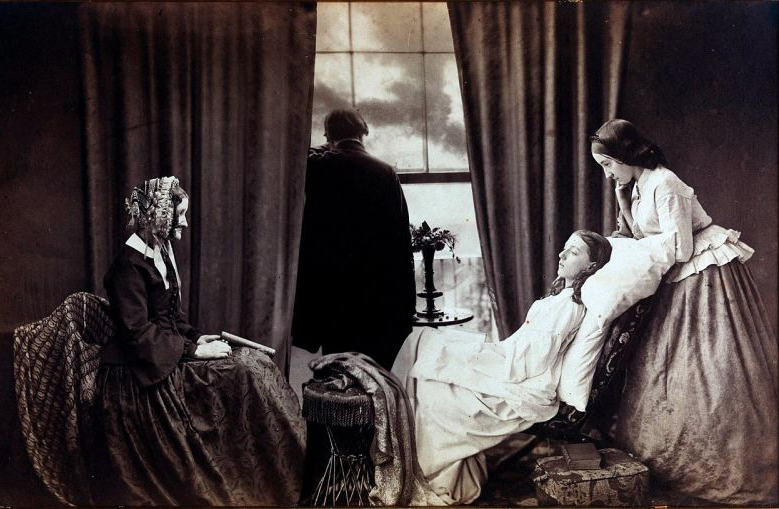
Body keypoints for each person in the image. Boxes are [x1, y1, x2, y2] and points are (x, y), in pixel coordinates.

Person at [590, 119, 778, 505]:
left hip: (704, 274)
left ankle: (720, 458)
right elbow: (641, 235)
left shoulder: (666, 183)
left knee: (711, 365)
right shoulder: (637, 186)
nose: (607, 174)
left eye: (608, 165)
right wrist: (623, 200)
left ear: (624, 156)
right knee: (669, 365)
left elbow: (681, 249)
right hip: (677, 272)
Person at [90, 176, 306, 506]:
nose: (185, 222)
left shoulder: (157, 253)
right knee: (243, 374)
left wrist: (194, 336)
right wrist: (195, 351)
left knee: (254, 363)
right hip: (136, 371)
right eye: (180, 215)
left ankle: (284, 467)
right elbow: (138, 334)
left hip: (164, 351)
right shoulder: (127, 267)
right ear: (160, 215)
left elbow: (169, 316)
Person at [393, 230, 612, 505]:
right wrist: (484, 353)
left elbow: (532, 362)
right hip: (512, 362)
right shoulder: (561, 297)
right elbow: (524, 347)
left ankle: (423, 466)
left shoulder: (569, 306)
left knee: (429, 359)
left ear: (591, 266)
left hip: (525, 382)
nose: (561, 254)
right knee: (424, 342)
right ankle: (413, 457)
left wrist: (480, 357)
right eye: (565, 248)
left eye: (574, 252)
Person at [292, 108, 416, 370]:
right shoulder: (385, 172)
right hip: (378, 295)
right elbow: (401, 243)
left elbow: (297, 157)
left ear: (329, 136)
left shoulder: (318, 167)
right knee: (375, 373)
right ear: (364, 132)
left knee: (338, 373)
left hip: (334, 293)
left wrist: (328, 145)